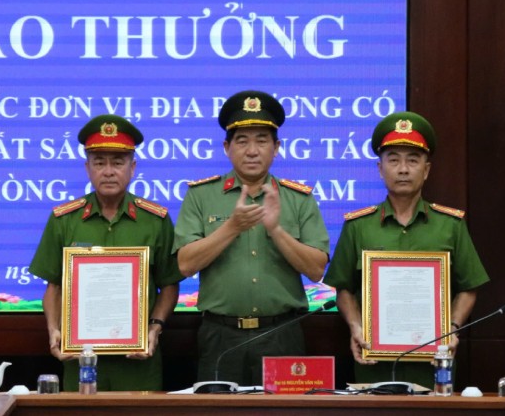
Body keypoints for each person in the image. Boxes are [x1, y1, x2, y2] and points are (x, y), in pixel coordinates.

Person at [174, 90, 330, 386]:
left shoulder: (299, 199)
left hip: (282, 333)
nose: (252, 150)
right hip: (220, 335)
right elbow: (184, 265)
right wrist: (231, 227)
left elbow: (316, 269)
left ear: (276, 147)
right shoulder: (201, 196)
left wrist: (276, 231)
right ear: (226, 147)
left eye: (261, 140)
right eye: (242, 141)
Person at [323, 111, 489, 387]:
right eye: (394, 160)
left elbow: (469, 286)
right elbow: (343, 289)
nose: (403, 169)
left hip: (435, 365)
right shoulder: (358, 226)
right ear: (380, 168)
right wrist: (355, 326)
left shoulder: (450, 225)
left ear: (426, 170)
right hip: (373, 364)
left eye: (412, 161)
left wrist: (452, 328)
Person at [28, 114, 183, 391]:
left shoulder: (156, 220)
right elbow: (53, 286)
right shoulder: (63, 219)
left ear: (133, 167)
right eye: (99, 163)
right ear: (87, 168)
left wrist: (154, 328)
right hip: (81, 361)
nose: (108, 171)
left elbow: (169, 285)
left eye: (117, 162)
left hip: (138, 363)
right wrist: (54, 330)